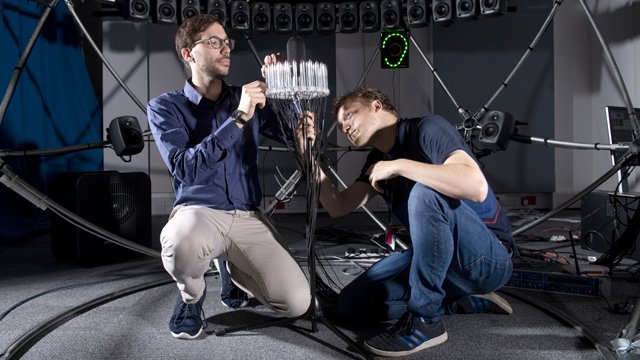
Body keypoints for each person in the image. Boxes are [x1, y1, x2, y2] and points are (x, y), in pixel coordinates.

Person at [296, 87, 515, 357]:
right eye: (341, 126)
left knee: (424, 192)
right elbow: (338, 206)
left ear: (376, 105)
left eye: (349, 116)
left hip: (487, 258)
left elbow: (475, 185)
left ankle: (426, 320)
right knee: (350, 305)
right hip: (442, 262)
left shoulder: (427, 129)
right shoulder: (378, 160)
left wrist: (399, 165)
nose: (345, 128)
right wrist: (308, 156)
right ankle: (458, 300)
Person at [147, 14, 311, 340]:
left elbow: (294, 136)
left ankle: (233, 269)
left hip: (247, 214)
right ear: (188, 54)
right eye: (214, 42)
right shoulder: (165, 107)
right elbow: (185, 169)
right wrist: (238, 118)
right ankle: (191, 298)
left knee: (296, 304)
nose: (225, 49)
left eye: (227, 42)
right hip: (200, 211)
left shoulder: (246, 97)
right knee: (180, 242)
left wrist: (282, 91)